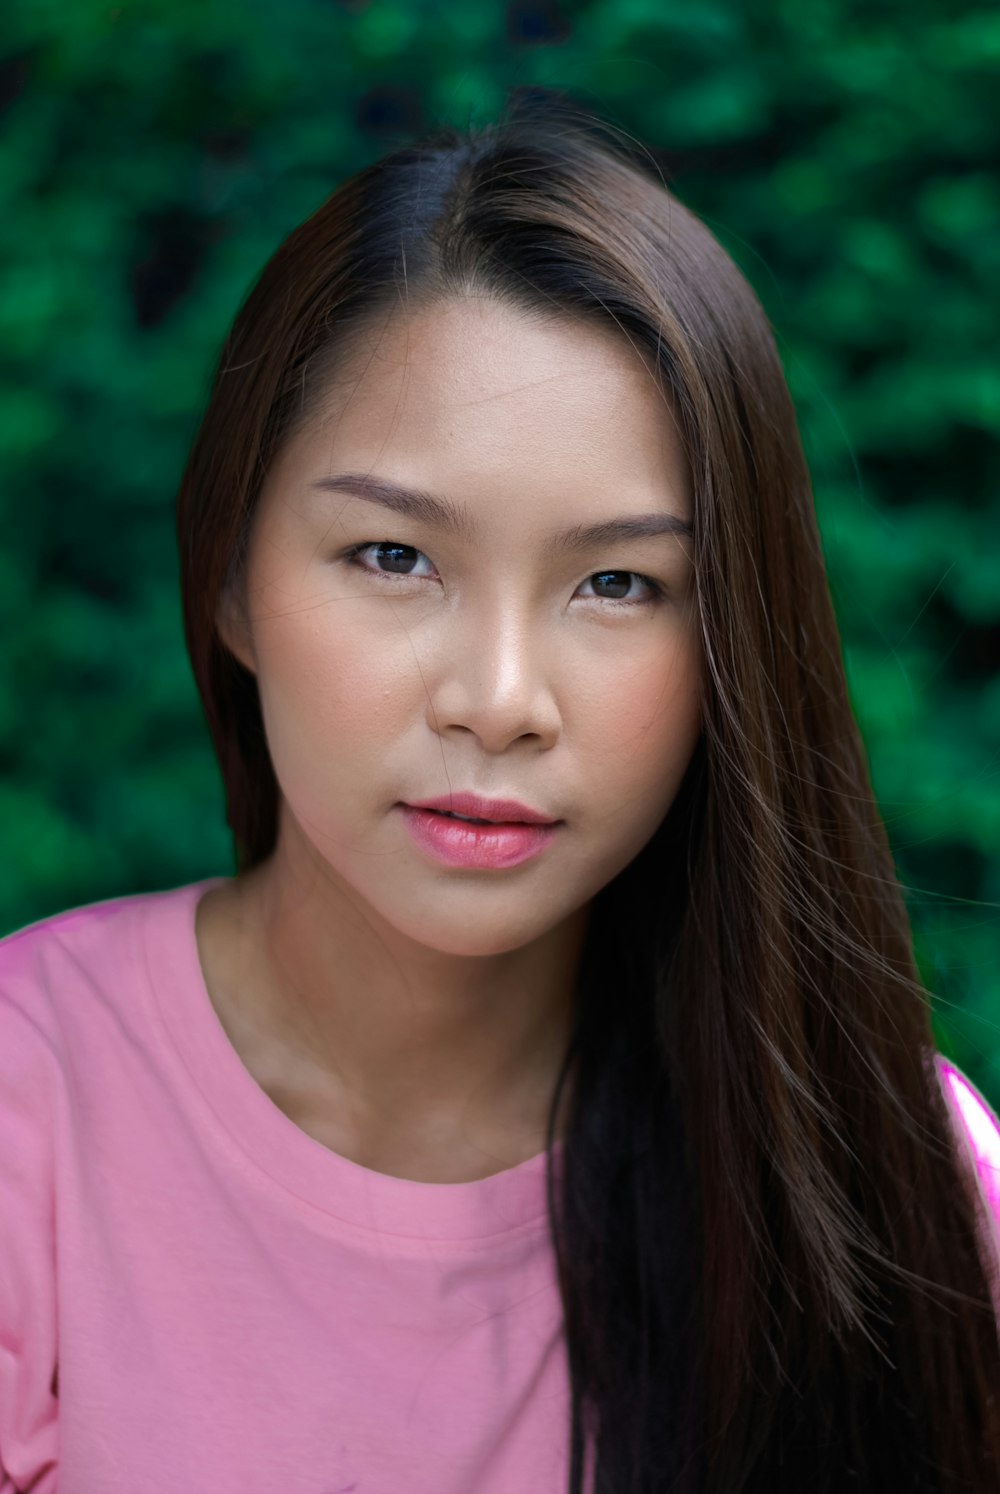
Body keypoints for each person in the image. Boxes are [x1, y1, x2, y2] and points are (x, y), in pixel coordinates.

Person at [1, 89, 998, 1494]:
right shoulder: (31, 1116)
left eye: (617, 583)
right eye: (394, 556)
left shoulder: (893, 1179)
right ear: (231, 576)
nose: (501, 698)